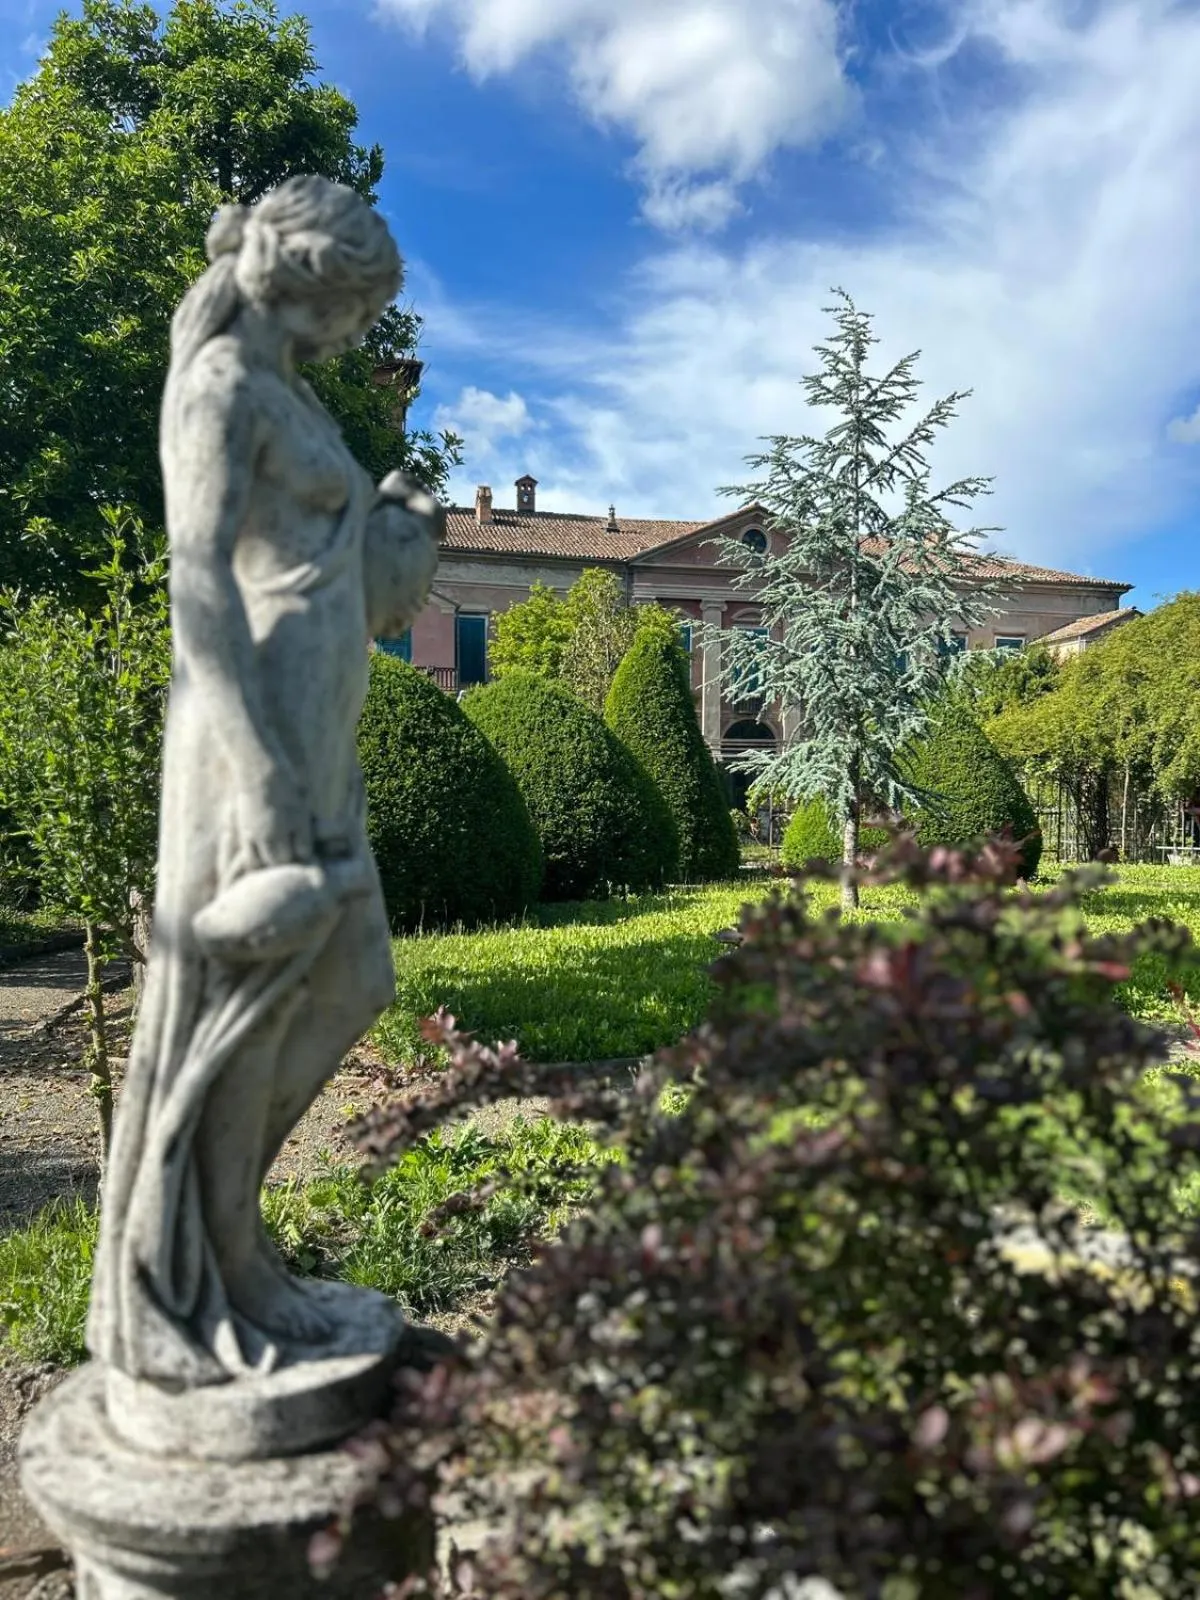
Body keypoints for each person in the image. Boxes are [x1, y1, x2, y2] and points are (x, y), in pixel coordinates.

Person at [88, 176, 442, 1385]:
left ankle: (233, 1241)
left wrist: (392, 533)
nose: (357, 331)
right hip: (253, 740)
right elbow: (199, 582)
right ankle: (217, 1272)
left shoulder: (289, 389)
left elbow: (321, 565)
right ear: (307, 278)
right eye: (357, 308)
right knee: (249, 1003)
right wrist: (257, 771)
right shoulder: (220, 388)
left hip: (316, 727)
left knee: (348, 980)